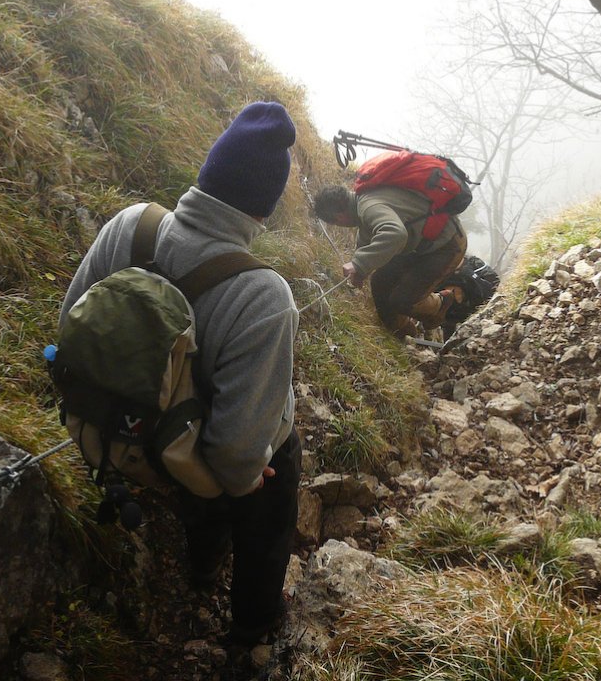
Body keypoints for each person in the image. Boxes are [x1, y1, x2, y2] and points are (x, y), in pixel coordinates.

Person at [59, 101, 300, 647]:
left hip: (112, 430)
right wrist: (247, 475)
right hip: (185, 458)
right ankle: (255, 622)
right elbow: (235, 456)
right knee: (277, 463)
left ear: (206, 173)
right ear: (263, 211)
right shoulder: (265, 296)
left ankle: (203, 565)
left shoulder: (131, 226)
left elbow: (69, 327)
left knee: (208, 472)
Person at [312, 181, 467, 338]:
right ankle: (401, 331)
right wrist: (360, 271)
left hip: (446, 245)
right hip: (420, 243)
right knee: (380, 281)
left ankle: (440, 303)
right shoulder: (362, 201)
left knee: (402, 299)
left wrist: (359, 264)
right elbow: (367, 234)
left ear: (338, 217)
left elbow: (395, 234)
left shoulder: (368, 207)